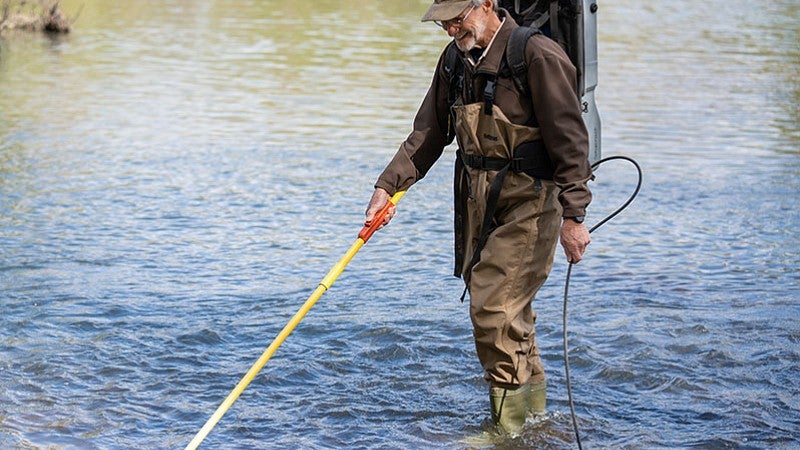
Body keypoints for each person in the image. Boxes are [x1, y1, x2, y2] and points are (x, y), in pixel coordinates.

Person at [364, 0, 592, 434]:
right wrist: (388, 186)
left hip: (534, 201)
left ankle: (507, 431)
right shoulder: (454, 61)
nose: (450, 29)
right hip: (479, 202)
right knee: (512, 314)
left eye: (457, 18)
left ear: (486, 4)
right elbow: (428, 132)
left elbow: (571, 142)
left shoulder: (537, 55)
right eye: (443, 22)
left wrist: (574, 216)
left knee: (493, 307)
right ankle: (537, 424)